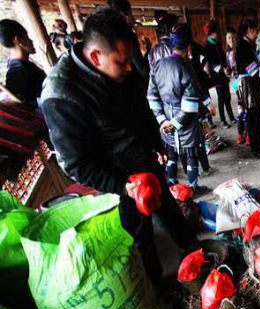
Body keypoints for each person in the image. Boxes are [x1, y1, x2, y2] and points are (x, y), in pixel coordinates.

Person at [41, 7, 198, 286]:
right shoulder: (61, 95)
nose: (129, 68)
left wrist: (156, 143)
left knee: (170, 210)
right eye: (121, 62)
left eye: (130, 59)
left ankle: (197, 255)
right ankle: (156, 289)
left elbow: (141, 107)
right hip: (118, 178)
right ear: (95, 57)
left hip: (144, 161)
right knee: (139, 237)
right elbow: (77, 164)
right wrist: (124, 186)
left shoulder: (123, 66)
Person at [147, 24, 215, 189]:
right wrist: (175, 123)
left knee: (171, 154)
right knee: (191, 155)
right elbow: (190, 105)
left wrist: (163, 121)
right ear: (188, 47)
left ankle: (172, 185)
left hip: (166, 119)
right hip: (185, 122)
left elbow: (152, 96)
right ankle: (193, 188)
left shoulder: (158, 65)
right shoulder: (185, 67)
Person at [236, 19, 260, 158]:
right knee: (257, 117)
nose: (256, 33)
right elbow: (252, 70)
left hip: (252, 82)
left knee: (252, 116)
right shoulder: (243, 46)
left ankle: (257, 146)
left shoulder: (248, 44)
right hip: (249, 84)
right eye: (254, 31)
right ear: (248, 30)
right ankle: (256, 148)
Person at [0, 19, 46, 107]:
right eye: (26, 36)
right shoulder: (18, 71)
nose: (31, 41)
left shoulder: (20, 65)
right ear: (18, 40)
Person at [204, 21, 236, 129]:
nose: (217, 34)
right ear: (211, 33)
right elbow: (212, 63)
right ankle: (223, 120)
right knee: (221, 98)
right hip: (216, 77)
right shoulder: (208, 46)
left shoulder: (216, 43)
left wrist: (227, 66)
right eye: (215, 32)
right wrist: (223, 69)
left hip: (223, 75)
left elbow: (222, 56)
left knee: (227, 97)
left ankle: (231, 117)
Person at [107, 0, 149, 81]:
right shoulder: (127, 38)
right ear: (125, 17)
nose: (133, 18)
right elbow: (143, 71)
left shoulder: (108, 36)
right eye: (131, 14)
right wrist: (148, 51)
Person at [224, 27, 247, 145]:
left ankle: (248, 134)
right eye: (228, 38)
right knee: (240, 107)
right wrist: (227, 72)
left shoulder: (241, 50)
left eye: (232, 37)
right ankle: (240, 133)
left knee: (247, 107)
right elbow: (229, 68)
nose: (231, 40)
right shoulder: (228, 53)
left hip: (245, 81)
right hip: (235, 82)